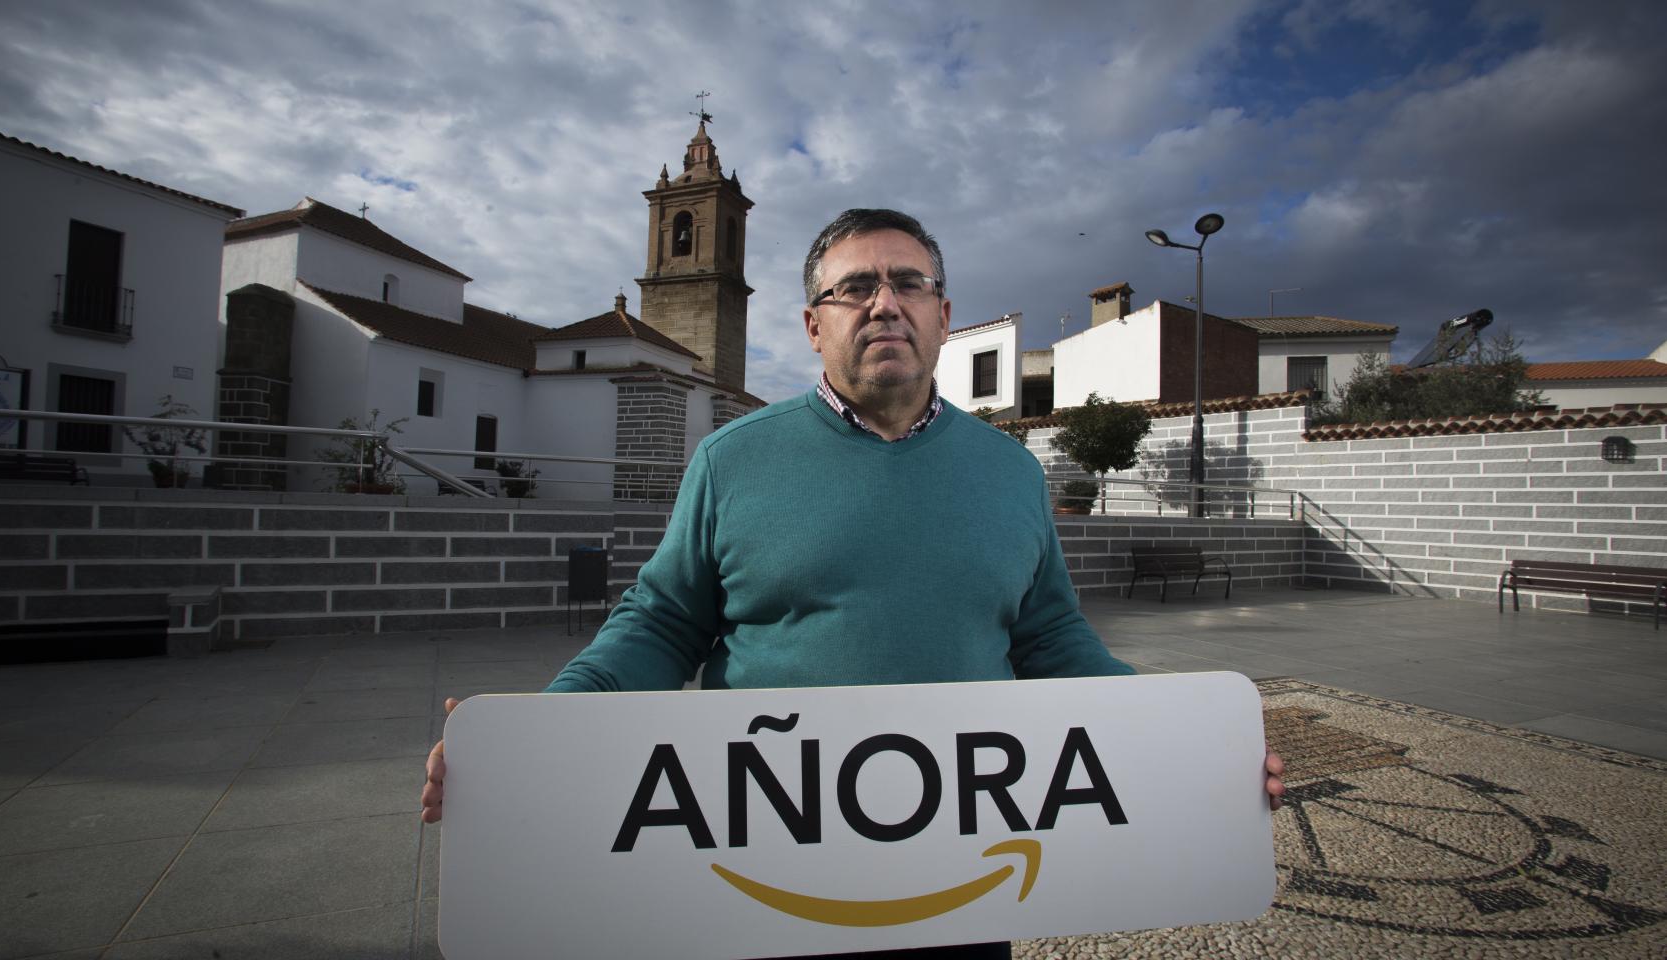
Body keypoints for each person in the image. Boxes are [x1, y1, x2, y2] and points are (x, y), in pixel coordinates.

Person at [423, 209, 1286, 959]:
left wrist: (1185, 746)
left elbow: (1051, 638)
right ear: (812, 324)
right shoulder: (733, 460)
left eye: (909, 283)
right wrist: (539, 733)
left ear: (943, 316)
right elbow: (661, 623)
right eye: (855, 288)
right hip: (762, 869)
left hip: (966, 868)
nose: (884, 302)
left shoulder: (1011, 473)